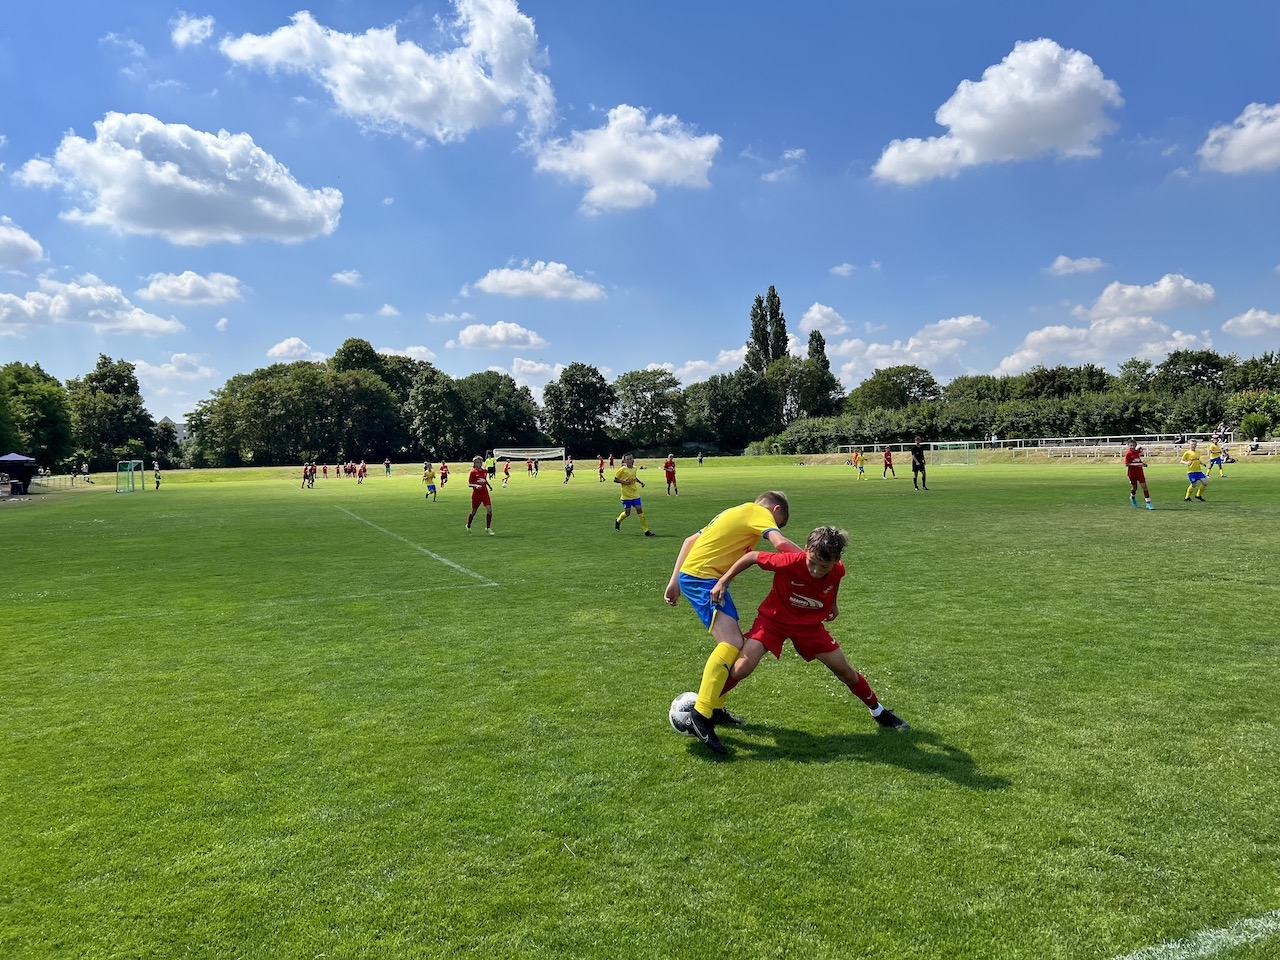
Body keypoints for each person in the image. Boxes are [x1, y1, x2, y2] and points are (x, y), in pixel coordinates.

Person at [709, 525, 910, 735]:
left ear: (836, 560)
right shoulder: (789, 562)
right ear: (805, 549)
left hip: (809, 626)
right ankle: (705, 707)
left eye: (824, 567)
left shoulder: (838, 569)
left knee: (845, 672)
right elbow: (751, 557)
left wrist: (833, 604)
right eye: (812, 562)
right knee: (741, 669)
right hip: (773, 621)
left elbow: (835, 581)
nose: (816, 571)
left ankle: (879, 711)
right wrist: (723, 581)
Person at [664, 491, 800, 754]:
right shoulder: (759, 513)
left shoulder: (733, 511)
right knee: (732, 642)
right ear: (776, 509)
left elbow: (690, 540)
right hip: (702, 578)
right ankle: (701, 715)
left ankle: (714, 709)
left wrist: (674, 581)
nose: (775, 526)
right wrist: (814, 562)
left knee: (734, 643)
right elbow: (780, 543)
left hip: (702, 577)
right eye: (779, 521)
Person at [613, 453, 653, 536]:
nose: (629, 461)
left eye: (630, 459)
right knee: (627, 513)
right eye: (627, 459)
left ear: (633, 460)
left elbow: (634, 477)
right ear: (624, 461)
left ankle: (646, 530)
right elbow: (615, 479)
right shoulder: (622, 469)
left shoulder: (635, 468)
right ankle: (618, 520)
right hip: (626, 495)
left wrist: (640, 482)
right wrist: (625, 482)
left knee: (639, 510)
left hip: (635, 493)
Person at [466, 455, 494, 534]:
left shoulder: (485, 471)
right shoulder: (473, 472)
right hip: (476, 495)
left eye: (480, 462)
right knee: (474, 512)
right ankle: (468, 525)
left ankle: (488, 528)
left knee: (489, 511)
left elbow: (484, 480)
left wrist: (489, 486)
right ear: (474, 463)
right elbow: (469, 484)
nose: (479, 464)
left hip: (485, 494)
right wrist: (476, 486)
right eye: (477, 462)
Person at [1123, 440, 1154, 510]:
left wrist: (1143, 464)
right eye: (1130, 445)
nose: (1131, 447)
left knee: (1145, 487)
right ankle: (1132, 496)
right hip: (1132, 474)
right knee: (1134, 488)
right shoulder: (1128, 454)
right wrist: (1138, 464)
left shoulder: (1137, 452)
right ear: (1128, 446)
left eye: (1133, 445)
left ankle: (1148, 503)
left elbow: (1138, 458)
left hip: (1140, 473)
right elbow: (1127, 464)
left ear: (1135, 445)